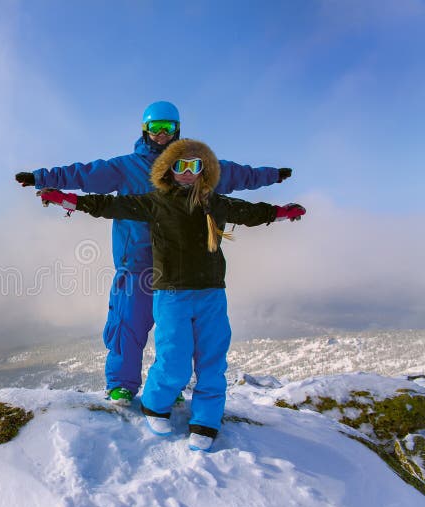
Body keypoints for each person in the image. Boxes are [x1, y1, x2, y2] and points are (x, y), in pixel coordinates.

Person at [16, 101, 292, 406]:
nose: (162, 134)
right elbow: (83, 175)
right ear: (145, 130)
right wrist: (42, 178)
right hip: (137, 261)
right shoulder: (125, 167)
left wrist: (272, 175)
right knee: (128, 322)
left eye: (168, 128)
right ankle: (121, 385)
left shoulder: (191, 166)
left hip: (177, 266)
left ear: (178, 130)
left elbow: (236, 175)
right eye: (156, 128)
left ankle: (167, 388)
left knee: (174, 333)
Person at [36, 139, 305, 451]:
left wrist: (282, 213)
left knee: (212, 360)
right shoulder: (156, 201)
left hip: (212, 293)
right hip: (172, 293)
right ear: (169, 170)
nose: (188, 172)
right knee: (174, 358)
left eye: (195, 166)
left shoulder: (215, 202)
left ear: (205, 171)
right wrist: (67, 200)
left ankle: (206, 420)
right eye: (180, 166)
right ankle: (155, 403)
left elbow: (251, 212)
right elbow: (108, 205)